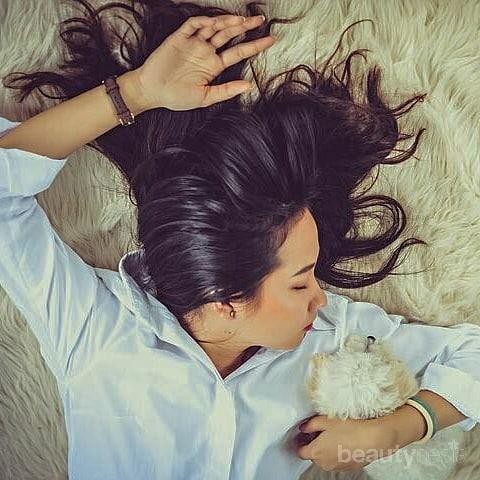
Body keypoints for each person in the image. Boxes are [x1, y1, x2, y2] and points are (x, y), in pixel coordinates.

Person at [1, 2, 479, 479]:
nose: (320, 299)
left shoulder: (329, 336)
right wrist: (137, 91)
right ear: (224, 300)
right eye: (300, 283)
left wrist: (393, 431)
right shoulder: (93, 324)